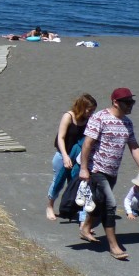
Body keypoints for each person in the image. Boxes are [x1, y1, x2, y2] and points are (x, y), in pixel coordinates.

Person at [78, 87, 139, 260]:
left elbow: (134, 147)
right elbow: (87, 144)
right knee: (110, 205)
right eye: (127, 102)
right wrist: (83, 168)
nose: (131, 105)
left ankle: (85, 227)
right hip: (96, 169)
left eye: (132, 102)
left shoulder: (127, 123)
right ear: (115, 102)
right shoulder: (100, 118)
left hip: (112, 171)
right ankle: (114, 246)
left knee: (99, 202)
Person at [46, 93, 97, 221]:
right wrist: (65, 156)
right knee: (58, 181)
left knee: (76, 184)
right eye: (89, 110)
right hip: (62, 154)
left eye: (93, 111)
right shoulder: (68, 116)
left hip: (79, 157)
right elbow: (60, 138)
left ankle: (71, 209)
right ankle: (50, 206)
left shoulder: (89, 120)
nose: (91, 113)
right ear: (82, 107)